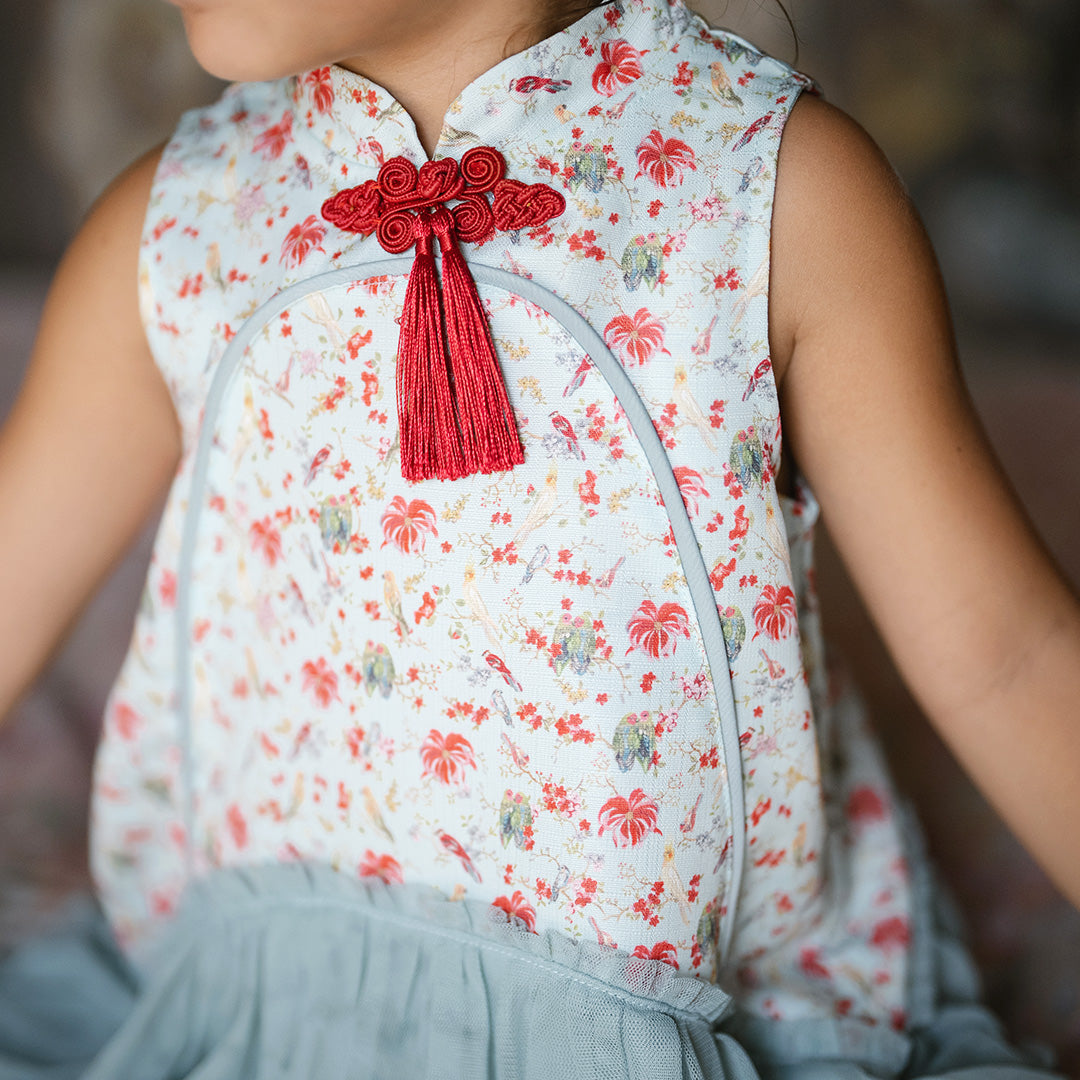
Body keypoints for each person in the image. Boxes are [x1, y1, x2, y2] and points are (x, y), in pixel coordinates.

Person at [0, 0, 1078, 1075]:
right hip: (268, 1012)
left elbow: (1003, 653)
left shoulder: (765, 191)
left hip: (670, 1017)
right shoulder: (180, 225)